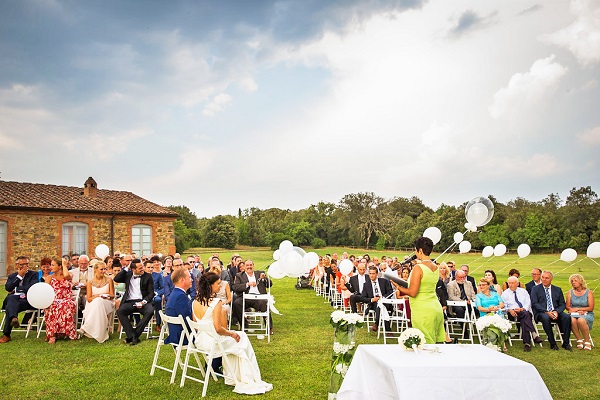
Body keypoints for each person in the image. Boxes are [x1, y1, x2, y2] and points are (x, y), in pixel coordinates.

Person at [193, 272, 272, 395]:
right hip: (213, 343)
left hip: (200, 342)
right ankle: (247, 376)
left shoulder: (195, 302)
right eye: (218, 284)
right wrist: (231, 334)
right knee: (242, 337)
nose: (220, 286)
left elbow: (196, 325)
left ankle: (234, 375)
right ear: (210, 286)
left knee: (240, 338)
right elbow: (218, 328)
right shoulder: (216, 302)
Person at [396, 237, 446, 344]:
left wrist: (398, 287)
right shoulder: (436, 267)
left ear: (420, 251)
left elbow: (413, 293)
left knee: (424, 343)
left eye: (416, 250)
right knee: (434, 344)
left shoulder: (418, 268)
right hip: (435, 307)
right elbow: (424, 285)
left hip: (423, 309)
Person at [114, 258, 155, 345]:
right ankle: (133, 336)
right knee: (120, 311)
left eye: (142, 267)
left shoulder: (148, 276)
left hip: (142, 301)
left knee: (150, 311)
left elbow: (151, 293)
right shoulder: (128, 275)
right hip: (130, 301)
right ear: (133, 269)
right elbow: (116, 279)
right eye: (140, 268)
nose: (142, 269)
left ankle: (133, 336)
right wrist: (126, 268)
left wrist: (143, 302)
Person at [0, 256, 38, 343]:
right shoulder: (12, 276)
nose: (25, 267)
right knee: (11, 299)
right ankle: (13, 319)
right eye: (22, 265)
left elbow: (32, 287)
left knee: (11, 301)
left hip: (26, 300)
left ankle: (7, 334)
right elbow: (8, 288)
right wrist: (19, 276)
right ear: (17, 265)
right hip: (14, 301)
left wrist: (16, 290)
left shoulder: (33, 274)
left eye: (27, 264)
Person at [531, 271, 572, 351]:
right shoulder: (535, 289)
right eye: (543, 277)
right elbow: (535, 303)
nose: (544, 279)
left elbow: (562, 304)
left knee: (567, 317)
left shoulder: (557, 289)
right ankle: (552, 343)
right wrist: (546, 311)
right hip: (541, 312)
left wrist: (556, 311)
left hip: (555, 311)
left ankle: (566, 343)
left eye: (547, 278)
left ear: (551, 279)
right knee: (546, 318)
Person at [501, 276, 541, 352]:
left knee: (525, 317)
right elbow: (503, 305)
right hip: (512, 313)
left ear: (517, 283)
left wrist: (522, 309)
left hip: (523, 311)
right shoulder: (505, 293)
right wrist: (510, 310)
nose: (510, 285)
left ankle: (527, 344)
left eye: (512, 283)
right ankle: (533, 334)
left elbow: (528, 302)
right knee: (526, 316)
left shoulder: (523, 291)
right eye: (509, 283)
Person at [232, 260, 273, 334]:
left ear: (253, 266)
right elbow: (236, 287)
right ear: (244, 267)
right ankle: (244, 325)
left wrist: (264, 279)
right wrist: (248, 284)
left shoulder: (260, 273)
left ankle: (269, 327)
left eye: (251, 265)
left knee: (264, 303)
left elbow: (269, 284)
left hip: (258, 297)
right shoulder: (239, 275)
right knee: (237, 303)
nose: (249, 267)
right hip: (246, 298)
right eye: (247, 265)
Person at [79, 261, 115, 343]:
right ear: (95, 270)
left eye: (105, 269)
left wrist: (103, 295)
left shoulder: (109, 280)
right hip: (93, 304)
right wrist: (98, 296)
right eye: (101, 269)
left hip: (107, 303)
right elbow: (89, 299)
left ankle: (85, 327)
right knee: (97, 301)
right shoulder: (90, 282)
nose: (103, 271)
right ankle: (99, 334)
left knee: (98, 301)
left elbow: (112, 295)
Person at [45, 257, 78, 344]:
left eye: (53, 265)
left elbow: (67, 276)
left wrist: (64, 264)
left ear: (59, 266)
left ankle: (65, 332)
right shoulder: (49, 277)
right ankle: (53, 334)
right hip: (53, 300)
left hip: (67, 299)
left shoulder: (68, 275)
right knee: (54, 306)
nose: (50, 267)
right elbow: (44, 290)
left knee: (65, 305)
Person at [359, 265, 394, 332]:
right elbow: (363, 298)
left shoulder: (384, 281)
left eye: (373, 273)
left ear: (377, 274)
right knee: (379, 306)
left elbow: (390, 291)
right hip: (373, 304)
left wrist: (383, 297)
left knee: (381, 306)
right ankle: (388, 330)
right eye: (370, 273)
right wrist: (372, 299)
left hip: (385, 302)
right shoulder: (366, 285)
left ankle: (376, 324)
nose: (371, 275)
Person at [164, 268, 193, 345]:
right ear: (182, 280)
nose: (192, 280)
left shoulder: (174, 294)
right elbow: (187, 320)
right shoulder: (181, 296)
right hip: (182, 337)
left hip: (174, 335)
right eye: (189, 277)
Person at [566, 274, 594, 351]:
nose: (573, 282)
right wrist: (573, 310)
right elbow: (567, 306)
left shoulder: (589, 292)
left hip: (587, 313)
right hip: (574, 313)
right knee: (572, 320)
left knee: (581, 320)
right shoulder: (570, 292)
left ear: (581, 281)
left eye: (575, 281)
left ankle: (587, 341)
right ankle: (579, 340)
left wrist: (580, 309)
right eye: (572, 281)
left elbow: (591, 307)